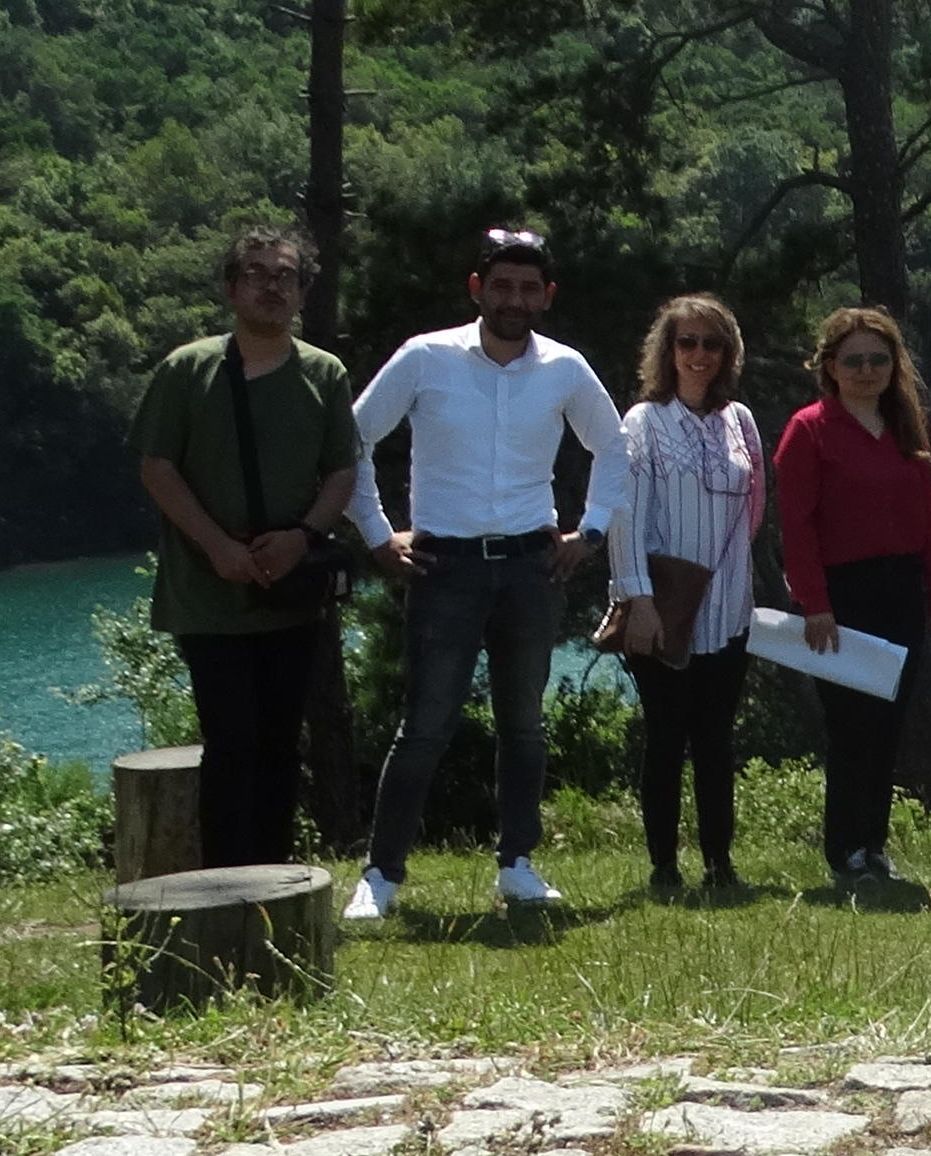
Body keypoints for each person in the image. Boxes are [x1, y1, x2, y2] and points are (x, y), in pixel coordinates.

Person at [339, 224, 634, 923]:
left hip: (532, 566)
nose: (514, 298)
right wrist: (379, 537)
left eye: (529, 287)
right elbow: (352, 438)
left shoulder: (564, 368)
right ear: (477, 288)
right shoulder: (426, 358)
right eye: (501, 284)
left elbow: (615, 446)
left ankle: (518, 866)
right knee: (426, 726)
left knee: (524, 727)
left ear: (547, 296)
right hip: (446, 568)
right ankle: (380, 876)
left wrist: (590, 531)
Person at [131, 225, 363, 872]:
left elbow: (341, 472)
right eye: (256, 273)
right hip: (208, 593)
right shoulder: (186, 370)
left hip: (290, 592)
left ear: (302, 291)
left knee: (281, 742)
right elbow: (156, 466)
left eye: (284, 275)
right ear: (232, 288)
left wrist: (303, 537)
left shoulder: (323, 374)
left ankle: (272, 879)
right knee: (231, 738)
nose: (271, 285)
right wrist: (215, 547)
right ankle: (224, 881)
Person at [774, 306, 931, 884]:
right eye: (853, 360)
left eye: (879, 359)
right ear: (830, 366)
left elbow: (930, 517)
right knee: (852, 727)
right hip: (842, 594)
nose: (867, 370)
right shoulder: (809, 429)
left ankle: (874, 847)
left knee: (890, 725)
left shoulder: (904, 427)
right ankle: (845, 851)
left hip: (902, 588)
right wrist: (814, 601)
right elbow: (796, 524)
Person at [612, 294, 765, 893]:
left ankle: (719, 863)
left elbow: (754, 513)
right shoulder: (643, 423)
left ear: (727, 352)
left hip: (727, 610)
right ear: (668, 350)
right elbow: (626, 518)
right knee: (666, 735)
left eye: (712, 343)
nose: (699, 355)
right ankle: (663, 866)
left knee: (716, 739)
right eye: (687, 343)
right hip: (662, 610)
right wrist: (638, 601)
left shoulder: (741, 421)